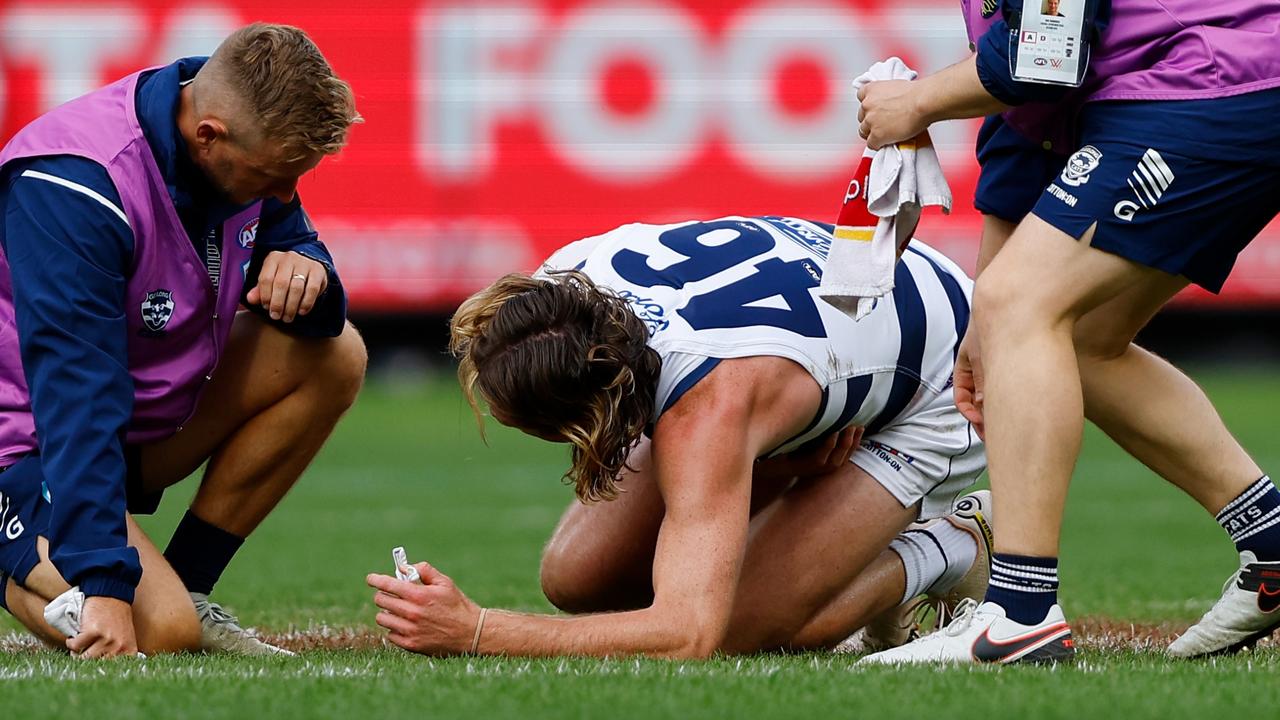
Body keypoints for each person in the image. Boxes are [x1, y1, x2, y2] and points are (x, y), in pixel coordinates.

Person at [854, 0, 1280, 663]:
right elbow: (1026, 124)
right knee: (1077, 341)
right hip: (1224, 84)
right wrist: (988, 324)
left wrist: (917, 102)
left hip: (1216, 81)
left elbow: (1043, 57)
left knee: (1029, 308)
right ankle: (1274, 543)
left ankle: (1020, 615)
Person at [366, 216, 992, 658]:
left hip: (945, 370)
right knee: (577, 576)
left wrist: (478, 630)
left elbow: (686, 633)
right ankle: (809, 488)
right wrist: (766, 461)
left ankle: (952, 544)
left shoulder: (705, 407)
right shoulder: (562, 282)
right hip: (841, 304)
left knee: (739, 627)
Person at [0, 23, 367, 659]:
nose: (284, 194)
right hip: (34, 441)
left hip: (133, 420)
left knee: (334, 355)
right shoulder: (74, 186)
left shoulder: (236, 139)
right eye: (276, 176)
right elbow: (76, 396)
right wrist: (106, 584)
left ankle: (190, 584)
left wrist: (307, 263)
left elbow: (300, 260)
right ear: (207, 137)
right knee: (160, 633)